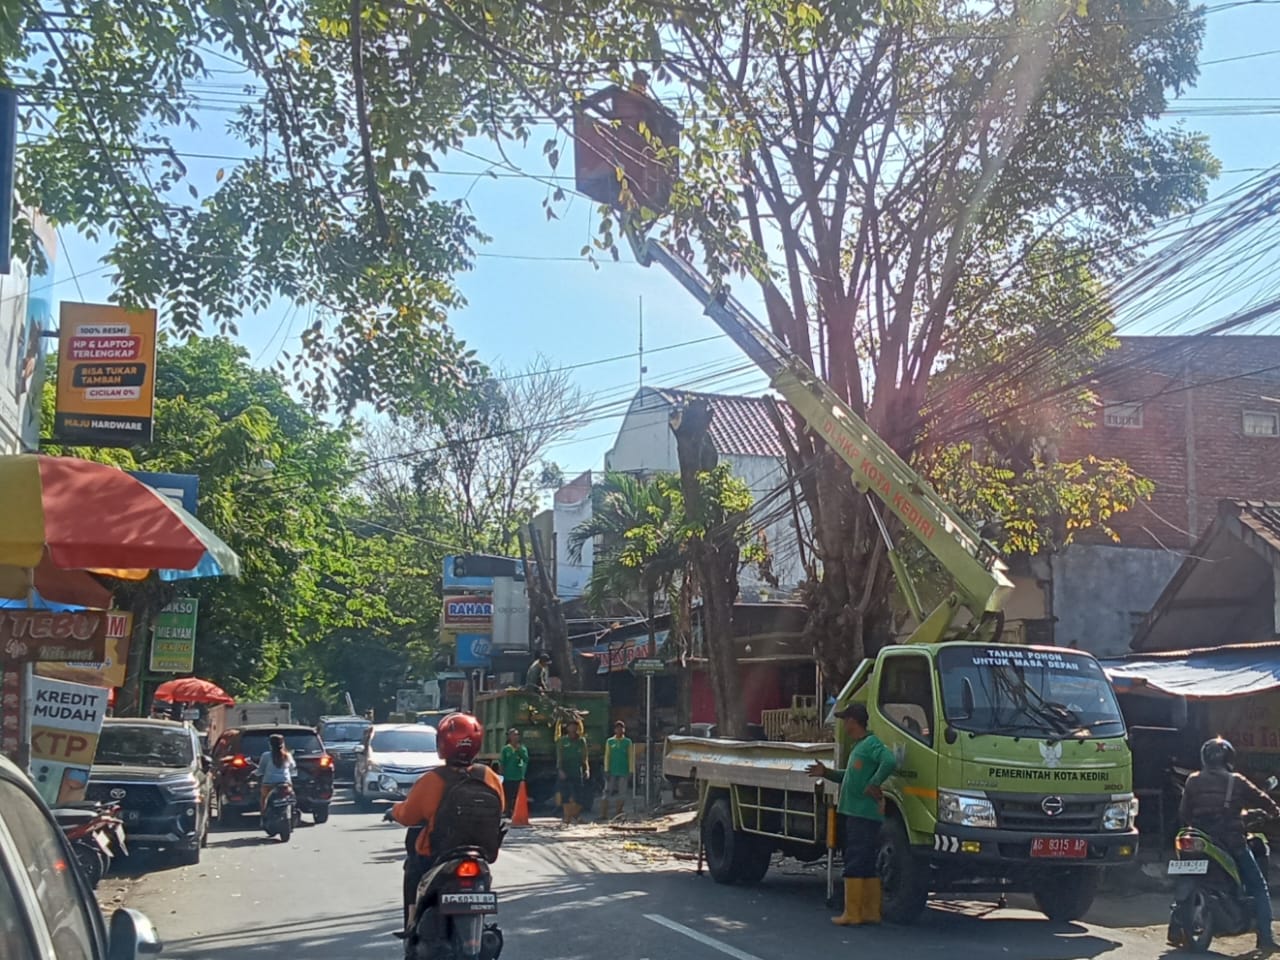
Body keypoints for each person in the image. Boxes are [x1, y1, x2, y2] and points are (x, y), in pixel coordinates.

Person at [387, 712, 504, 932]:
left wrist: (394, 811)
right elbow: (501, 808)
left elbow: (408, 816)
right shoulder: (489, 777)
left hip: (436, 856)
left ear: (442, 743)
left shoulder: (433, 780)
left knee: (413, 868)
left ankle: (411, 926)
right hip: (481, 854)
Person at [1174, 737, 1280, 951]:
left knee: (1184, 876)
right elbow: (1261, 798)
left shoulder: (1193, 780)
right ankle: (1266, 938)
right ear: (1229, 759)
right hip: (1231, 842)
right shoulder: (1236, 781)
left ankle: (1175, 928)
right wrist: (1274, 811)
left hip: (1200, 838)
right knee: (1258, 886)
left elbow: (1183, 813)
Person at [807, 702, 896, 927]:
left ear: (853, 721)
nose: (843, 724)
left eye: (845, 720)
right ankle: (870, 911)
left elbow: (890, 760)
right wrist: (826, 773)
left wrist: (874, 783)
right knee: (865, 862)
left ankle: (853, 913)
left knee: (855, 860)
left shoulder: (871, 743)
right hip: (859, 813)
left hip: (862, 814)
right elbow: (850, 776)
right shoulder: (861, 746)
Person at [557, 718, 590, 824]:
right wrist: (560, 770)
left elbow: (585, 757)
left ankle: (576, 815)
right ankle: (567, 817)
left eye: (575, 726)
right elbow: (559, 757)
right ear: (567, 728)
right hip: (566, 771)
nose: (573, 728)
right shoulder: (563, 740)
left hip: (577, 771)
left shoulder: (581, 741)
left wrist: (587, 769)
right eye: (571, 726)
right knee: (565, 795)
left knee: (580, 796)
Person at [257, 733, 296, 813]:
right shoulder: (287, 755)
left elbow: (261, 770)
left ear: (270, 744)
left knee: (263, 797)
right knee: (291, 795)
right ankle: (292, 811)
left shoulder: (266, 756)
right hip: (285, 782)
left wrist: (257, 773)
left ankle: (263, 814)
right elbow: (292, 767)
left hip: (269, 784)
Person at [602, 721, 634, 819]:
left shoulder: (627, 742)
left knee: (622, 792)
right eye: (617, 728)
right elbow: (607, 756)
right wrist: (606, 769)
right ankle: (603, 814)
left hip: (624, 770)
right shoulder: (610, 741)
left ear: (624, 729)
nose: (619, 730)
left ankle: (618, 813)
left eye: (621, 728)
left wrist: (631, 771)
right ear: (614, 730)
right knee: (607, 791)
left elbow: (630, 757)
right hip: (611, 770)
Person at [499, 728, 529, 818]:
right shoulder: (506, 749)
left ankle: (515, 811)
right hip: (508, 776)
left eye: (517, 735)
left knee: (517, 796)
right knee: (508, 795)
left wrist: (519, 750)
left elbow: (526, 759)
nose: (515, 737)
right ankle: (507, 811)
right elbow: (502, 762)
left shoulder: (522, 748)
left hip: (518, 776)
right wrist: (501, 774)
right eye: (513, 735)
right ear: (509, 737)